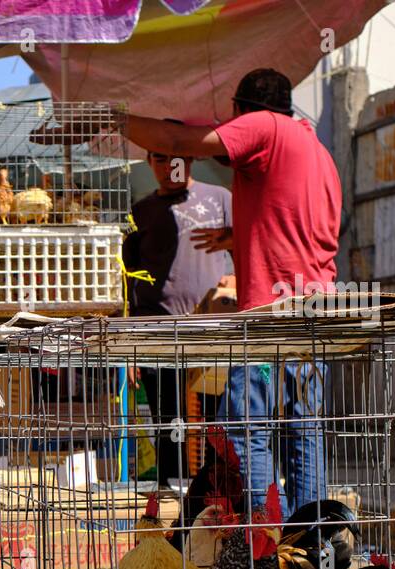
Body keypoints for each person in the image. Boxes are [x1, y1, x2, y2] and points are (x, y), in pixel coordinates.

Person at [121, 68, 342, 517]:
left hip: (269, 319)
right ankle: (308, 541)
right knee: (304, 432)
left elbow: (184, 143)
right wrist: (238, 234)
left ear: (243, 114)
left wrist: (112, 119)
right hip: (314, 313)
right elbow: (297, 226)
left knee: (249, 431)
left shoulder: (265, 127)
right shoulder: (316, 153)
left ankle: (259, 546)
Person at [124, 129, 233, 484]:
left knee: (218, 419)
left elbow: (246, 250)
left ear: (190, 157)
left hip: (212, 332)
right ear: (149, 162)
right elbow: (128, 282)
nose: (169, 165)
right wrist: (129, 348)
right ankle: (171, 497)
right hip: (158, 332)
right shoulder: (141, 212)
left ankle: (217, 497)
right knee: (169, 420)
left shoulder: (220, 198)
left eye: (176, 157)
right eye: (159, 157)